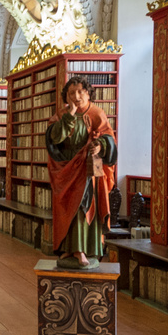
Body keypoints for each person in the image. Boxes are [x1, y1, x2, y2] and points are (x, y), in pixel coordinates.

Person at [46, 75, 117, 269]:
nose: (76, 96)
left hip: (87, 170)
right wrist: (70, 116)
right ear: (66, 96)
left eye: (80, 92)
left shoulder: (96, 113)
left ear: (88, 92)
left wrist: (99, 146)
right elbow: (54, 138)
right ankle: (67, 248)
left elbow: (109, 138)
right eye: (71, 93)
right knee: (66, 207)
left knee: (82, 208)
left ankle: (82, 250)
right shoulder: (62, 115)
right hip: (67, 168)